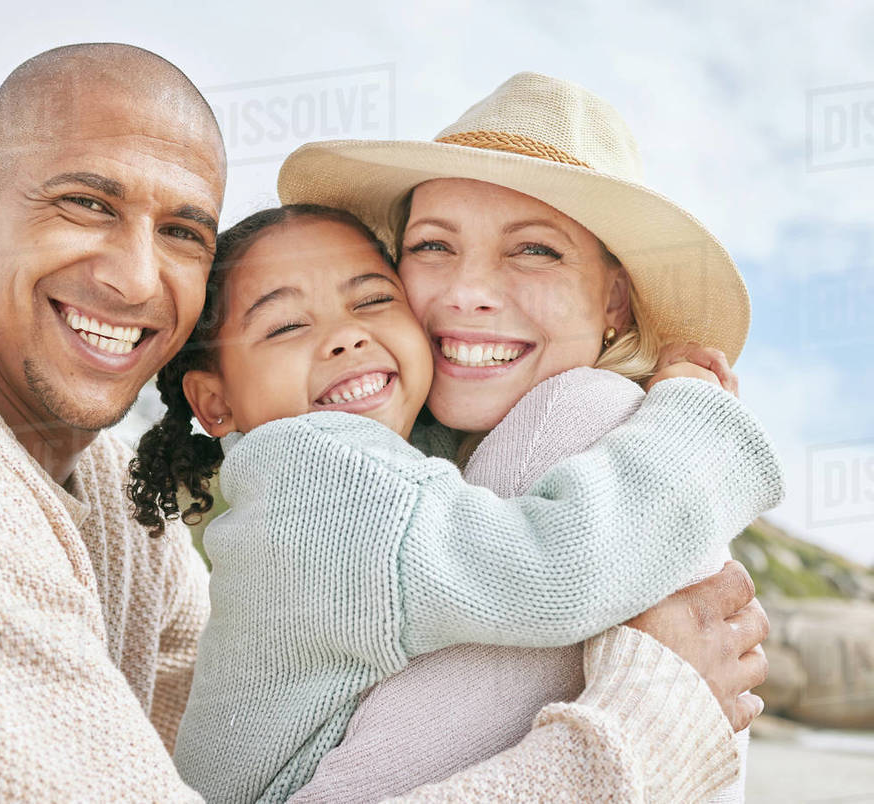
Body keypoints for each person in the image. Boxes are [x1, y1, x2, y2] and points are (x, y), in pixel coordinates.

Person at [0, 45, 769, 802]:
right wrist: (644, 733)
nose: (133, 275)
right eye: (85, 203)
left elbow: (211, 724)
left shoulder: (107, 495)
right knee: (586, 419)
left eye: (186, 231)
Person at [130, 204, 781, 803]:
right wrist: (696, 423)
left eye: (375, 301)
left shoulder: (402, 458)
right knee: (604, 419)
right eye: (288, 325)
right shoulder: (306, 471)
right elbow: (554, 570)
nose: (345, 338)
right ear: (213, 403)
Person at [280, 71, 759, 803]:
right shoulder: (408, 461)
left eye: (534, 250)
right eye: (434, 245)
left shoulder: (582, 419)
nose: (468, 289)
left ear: (614, 300)